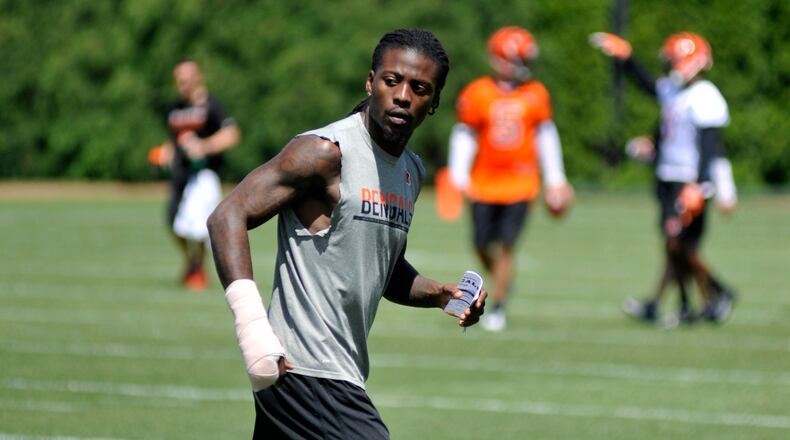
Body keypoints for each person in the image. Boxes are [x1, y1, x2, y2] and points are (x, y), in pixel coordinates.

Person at [207, 29, 487, 439]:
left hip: (339, 371)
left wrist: (441, 294)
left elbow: (385, 270)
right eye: (392, 81)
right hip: (304, 369)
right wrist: (254, 334)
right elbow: (227, 216)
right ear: (370, 82)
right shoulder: (324, 152)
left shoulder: (411, 171)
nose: (403, 96)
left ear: (434, 102)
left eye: (419, 88)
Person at [590, 31, 737, 326]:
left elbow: (711, 148)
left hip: (688, 181)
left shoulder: (707, 96)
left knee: (678, 244)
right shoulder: (674, 90)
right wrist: (627, 58)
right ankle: (696, 302)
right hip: (667, 176)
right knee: (675, 245)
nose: (670, 67)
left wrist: (702, 186)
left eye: (674, 61)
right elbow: (648, 85)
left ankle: (713, 293)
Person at [446, 26, 573, 331]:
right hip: (484, 182)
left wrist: (556, 178)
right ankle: (502, 282)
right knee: (479, 243)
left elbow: (545, 135)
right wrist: (458, 173)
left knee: (506, 245)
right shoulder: (478, 92)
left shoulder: (536, 93)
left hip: (521, 183)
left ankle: (499, 303)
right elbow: (465, 133)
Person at [150, 59, 241, 291]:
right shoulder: (175, 109)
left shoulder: (211, 106)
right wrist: (165, 153)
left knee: (199, 226)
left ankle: (197, 268)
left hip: (203, 176)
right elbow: (174, 142)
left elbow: (231, 134)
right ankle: (191, 261)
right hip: (181, 176)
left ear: (198, 77)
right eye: (178, 81)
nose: (182, 85)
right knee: (173, 223)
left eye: (186, 80)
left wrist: (205, 146)